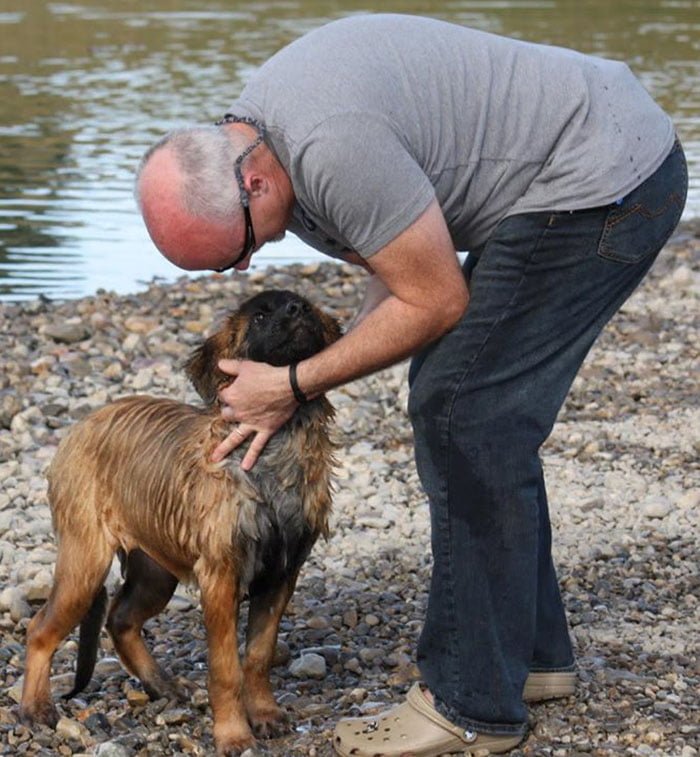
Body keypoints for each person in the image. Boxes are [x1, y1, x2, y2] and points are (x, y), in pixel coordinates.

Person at [135, 14, 688, 756]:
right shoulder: (265, 146)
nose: (242, 269)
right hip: (569, 170)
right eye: (222, 269)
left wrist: (294, 383)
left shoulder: (331, 147)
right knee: (463, 400)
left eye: (236, 249)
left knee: (467, 413)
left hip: (605, 178)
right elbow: (396, 276)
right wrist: (311, 374)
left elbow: (436, 300)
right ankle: (530, 656)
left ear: (253, 181)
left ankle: (471, 704)